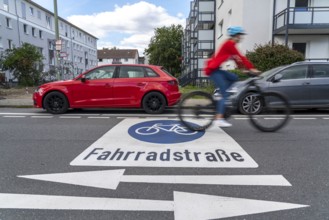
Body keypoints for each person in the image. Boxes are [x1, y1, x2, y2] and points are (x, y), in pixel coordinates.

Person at [204, 26, 260, 127]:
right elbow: (241, 57)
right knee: (224, 94)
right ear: (236, 35)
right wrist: (251, 68)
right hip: (214, 70)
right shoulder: (229, 44)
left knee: (234, 77)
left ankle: (221, 94)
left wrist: (243, 70)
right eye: (240, 35)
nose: (241, 37)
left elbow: (236, 59)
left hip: (217, 70)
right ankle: (219, 119)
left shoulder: (231, 44)